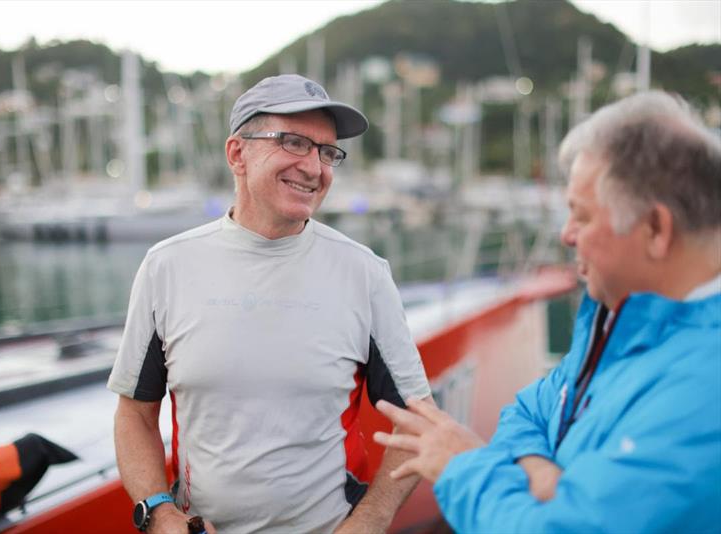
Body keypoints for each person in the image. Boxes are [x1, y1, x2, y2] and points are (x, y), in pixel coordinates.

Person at [374, 90, 721, 533]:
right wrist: (543, 475)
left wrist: (461, 464)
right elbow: (529, 408)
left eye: (581, 216)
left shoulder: (704, 392)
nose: (565, 234)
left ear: (655, 229)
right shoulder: (617, 320)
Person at [108, 74, 432, 534]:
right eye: (295, 142)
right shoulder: (167, 267)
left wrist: (370, 522)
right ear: (237, 153)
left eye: (327, 152)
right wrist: (159, 512)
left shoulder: (364, 274)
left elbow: (418, 421)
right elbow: (135, 414)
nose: (315, 167)